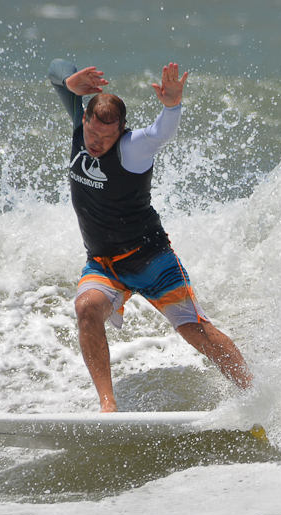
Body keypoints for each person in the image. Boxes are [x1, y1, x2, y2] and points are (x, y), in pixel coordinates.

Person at [49, 58, 252, 412]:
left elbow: (161, 133)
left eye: (105, 137)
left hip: (151, 260)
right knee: (86, 308)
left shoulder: (132, 148)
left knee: (194, 330)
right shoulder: (81, 127)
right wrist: (70, 81)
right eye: (92, 133)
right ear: (84, 119)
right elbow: (55, 69)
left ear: (122, 130)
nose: (95, 142)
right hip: (103, 263)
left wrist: (171, 105)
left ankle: (253, 394)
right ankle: (108, 406)